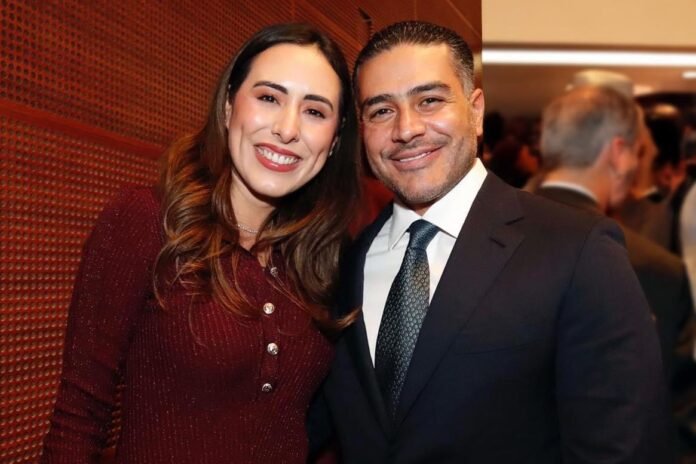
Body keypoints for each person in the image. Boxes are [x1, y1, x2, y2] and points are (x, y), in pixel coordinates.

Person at [314, 21, 672, 463]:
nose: (406, 129)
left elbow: (624, 448)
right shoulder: (344, 264)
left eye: (429, 100)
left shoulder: (578, 250)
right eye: (381, 110)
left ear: (476, 110)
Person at [41, 23, 359, 464]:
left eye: (315, 111)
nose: (288, 129)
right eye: (269, 98)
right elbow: (79, 415)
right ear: (228, 106)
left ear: (335, 139)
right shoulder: (146, 221)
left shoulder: (327, 257)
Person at [534, 85, 693, 385]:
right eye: (638, 152)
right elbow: (674, 400)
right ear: (618, 153)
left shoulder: (474, 237)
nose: (637, 166)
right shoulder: (653, 270)